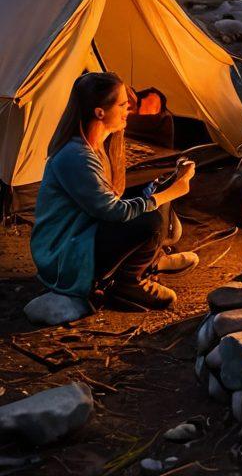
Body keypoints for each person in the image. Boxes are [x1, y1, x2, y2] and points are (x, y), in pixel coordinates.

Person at [30, 72, 195, 310]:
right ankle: (127, 282)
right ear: (100, 112)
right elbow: (114, 211)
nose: (128, 109)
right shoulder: (76, 156)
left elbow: (112, 198)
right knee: (149, 221)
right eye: (122, 105)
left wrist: (166, 186)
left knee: (154, 202)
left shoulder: (98, 146)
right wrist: (173, 191)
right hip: (64, 256)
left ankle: (151, 262)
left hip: (84, 233)